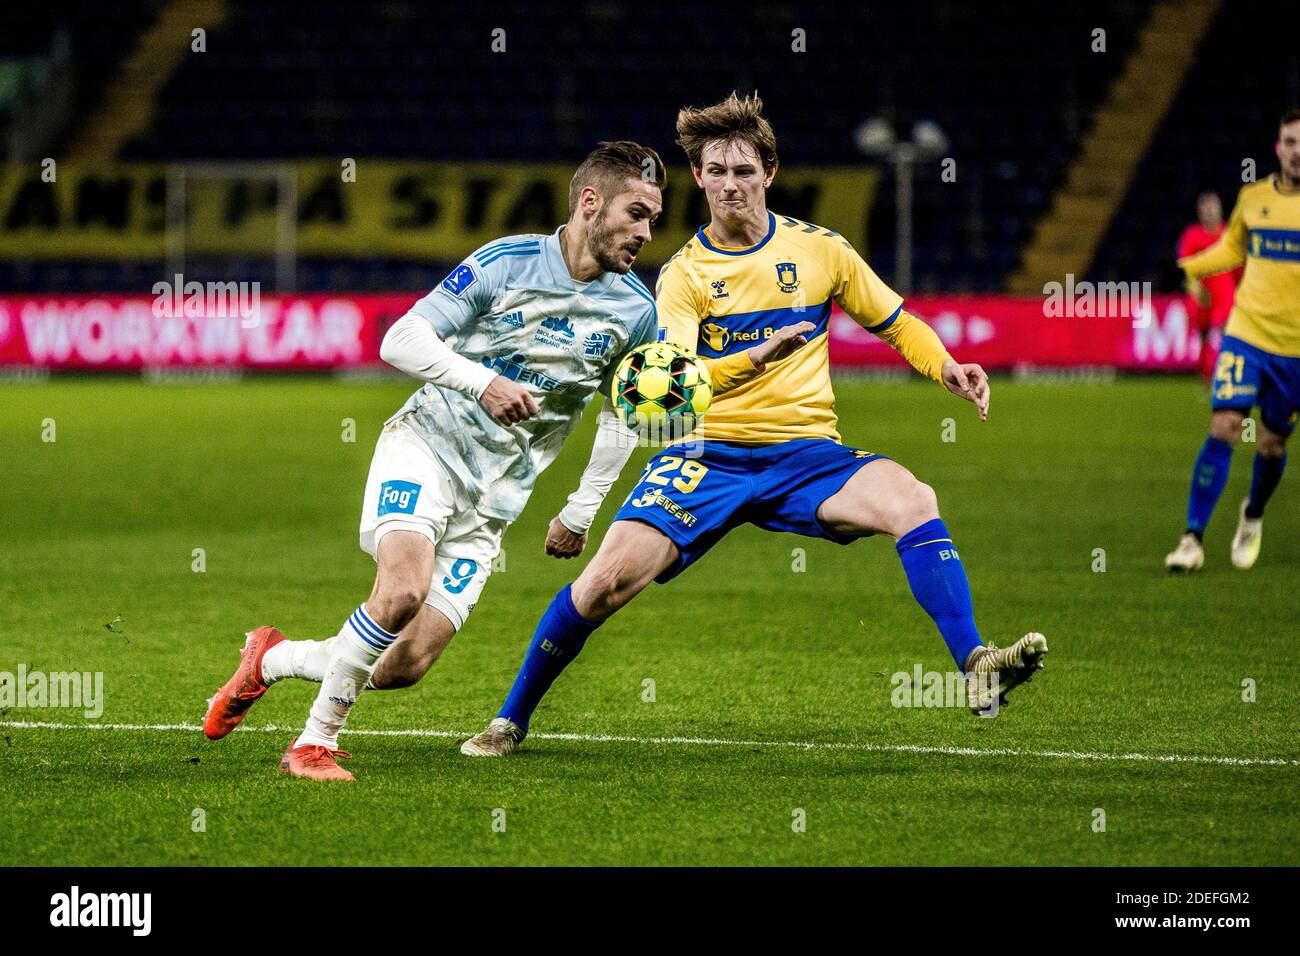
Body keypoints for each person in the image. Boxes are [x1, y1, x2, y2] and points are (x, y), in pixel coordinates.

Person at [460, 92, 1047, 758]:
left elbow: (896, 322)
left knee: (914, 500)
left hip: (806, 457)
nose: (730, 184)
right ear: (700, 179)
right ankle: (510, 720)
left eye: (744, 170)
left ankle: (975, 666)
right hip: (706, 456)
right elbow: (673, 384)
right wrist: (755, 356)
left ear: (769, 172)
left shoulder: (821, 251)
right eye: (716, 171)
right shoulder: (684, 275)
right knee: (601, 586)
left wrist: (945, 366)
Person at [203, 141, 669, 780]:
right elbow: (401, 337)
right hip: (426, 447)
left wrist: (582, 507)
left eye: (653, 219)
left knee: (402, 667)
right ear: (590, 202)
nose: (646, 232)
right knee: (399, 592)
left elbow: (623, 412)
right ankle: (314, 745)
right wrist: (482, 383)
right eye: (637, 213)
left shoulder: (636, 311)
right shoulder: (506, 263)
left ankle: (272, 660)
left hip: (495, 500)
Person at [1165, 111, 1300, 572]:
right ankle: (1191, 538)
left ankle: (1253, 514)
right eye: (1290, 141)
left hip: (1294, 350)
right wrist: (1193, 267)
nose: (1297, 150)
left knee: (1271, 445)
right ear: (1278, 148)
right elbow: (1231, 249)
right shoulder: (1254, 198)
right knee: (1224, 424)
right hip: (1247, 333)